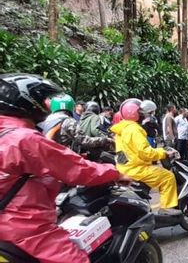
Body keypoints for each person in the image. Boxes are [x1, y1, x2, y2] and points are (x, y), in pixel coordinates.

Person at [0, 73, 129, 263]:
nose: (46, 105)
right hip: (24, 224)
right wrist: (115, 172)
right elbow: (76, 165)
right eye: (43, 99)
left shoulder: (17, 131)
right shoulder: (24, 138)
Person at [112, 99, 179, 215]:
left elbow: (121, 153)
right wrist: (163, 152)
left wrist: (126, 165)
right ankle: (167, 209)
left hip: (124, 169)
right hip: (137, 169)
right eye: (144, 114)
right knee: (168, 177)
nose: (146, 116)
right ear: (136, 114)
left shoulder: (121, 129)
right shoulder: (135, 130)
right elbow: (145, 153)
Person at [40, 94, 112, 153]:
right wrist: (105, 140)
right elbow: (84, 141)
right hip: (60, 156)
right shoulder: (68, 121)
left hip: (46, 154)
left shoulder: (46, 120)